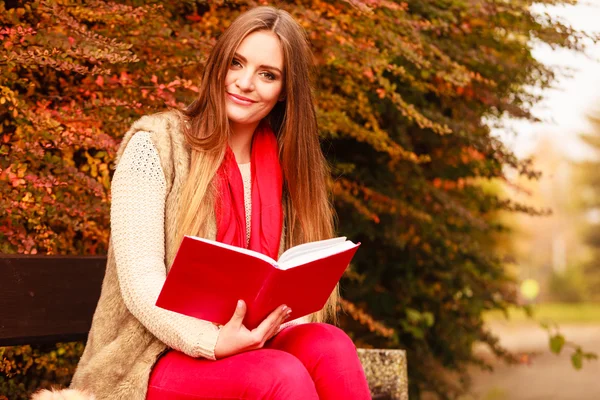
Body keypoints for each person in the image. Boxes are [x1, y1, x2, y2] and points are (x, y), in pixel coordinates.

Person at [64, 6, 371, 400]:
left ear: (284, 91)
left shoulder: (285, 165)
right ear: (218, 64)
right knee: (280, 376)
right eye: (236, 63)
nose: (245, 82)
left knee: (330, 345)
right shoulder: (154, 145)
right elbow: (142, 286)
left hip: (249, 346)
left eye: (267, 74)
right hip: (149, 360)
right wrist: (211, 341)